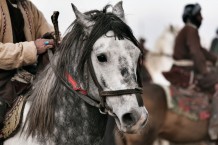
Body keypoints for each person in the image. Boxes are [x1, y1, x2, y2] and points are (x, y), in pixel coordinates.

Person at [163, 3, 218, 140]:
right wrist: (205, 72)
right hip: (185, 71)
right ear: (193, 16)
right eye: (199, 15)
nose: (202, 18)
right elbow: (196, 53)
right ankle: (215, 127)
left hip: (182, 68)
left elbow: (201, 50)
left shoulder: (187, 30)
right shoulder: (191, 30)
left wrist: (215, 59)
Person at [0, 0, 54, 130]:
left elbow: (48, 33)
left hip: (29, 71)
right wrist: (33, 47)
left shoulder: (28, 7)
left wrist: (56, 41)